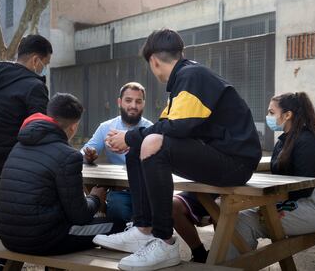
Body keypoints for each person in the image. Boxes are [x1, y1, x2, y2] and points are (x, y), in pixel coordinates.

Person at [93, 28, 262, 271]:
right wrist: (132, 138)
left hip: (235, 164)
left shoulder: (192, 76)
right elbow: (165, 126)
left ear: (153, 61)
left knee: (149, 142)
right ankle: (143, 228)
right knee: (141, 143)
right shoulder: (188, 76)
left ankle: (164, 241)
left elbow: (175, 128)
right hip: (220, 157)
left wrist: (129, 135)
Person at [0, 93, 117, 256]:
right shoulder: (69, 156)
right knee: (119, 227)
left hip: (8, 236)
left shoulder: (19, 145)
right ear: (74, 126)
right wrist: (95, 198)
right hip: (42, 240)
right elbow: (80, 216)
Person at [220, 91, 315, 260]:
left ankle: (233, 265)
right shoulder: (285, 140)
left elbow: (305, 186)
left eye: (271, 112)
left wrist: (278, 206)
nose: (268, 116)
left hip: (312, 206)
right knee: (232, 214)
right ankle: (234, 262)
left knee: (242, 221)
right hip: (295, 201)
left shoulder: (306, 141)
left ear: (288, 115)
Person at [0, 34, 52, 235]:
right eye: (45, 63)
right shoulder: (33, 86)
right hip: (8, 156)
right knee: (18, 202)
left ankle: (1, 258)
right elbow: (39, 129)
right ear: (35, 60)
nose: (43, 68)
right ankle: (7, 253)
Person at [81, 82, 153, 226]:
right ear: (119, 102)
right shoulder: (106, 127)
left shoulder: (150, 128)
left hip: (146, 191)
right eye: (128, 100)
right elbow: (84, 151)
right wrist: (88, 155)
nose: (133, 105)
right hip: (119, 191)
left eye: (138, 101)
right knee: (118, 212)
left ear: (144, 104)